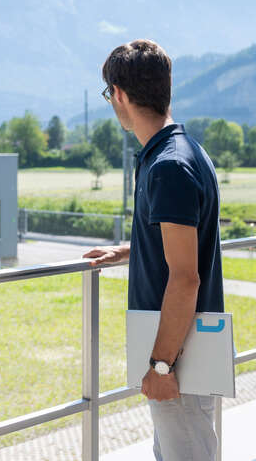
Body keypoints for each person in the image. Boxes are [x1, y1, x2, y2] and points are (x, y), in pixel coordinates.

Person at [83, 39, 223, 461]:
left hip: (180, 359)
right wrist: (129, 250)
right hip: (184, 352)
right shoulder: (182, 151)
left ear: (119, 94)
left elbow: (186, 276)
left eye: (109, 94)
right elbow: (183, 242)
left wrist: (161, 366)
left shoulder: (168, 166)